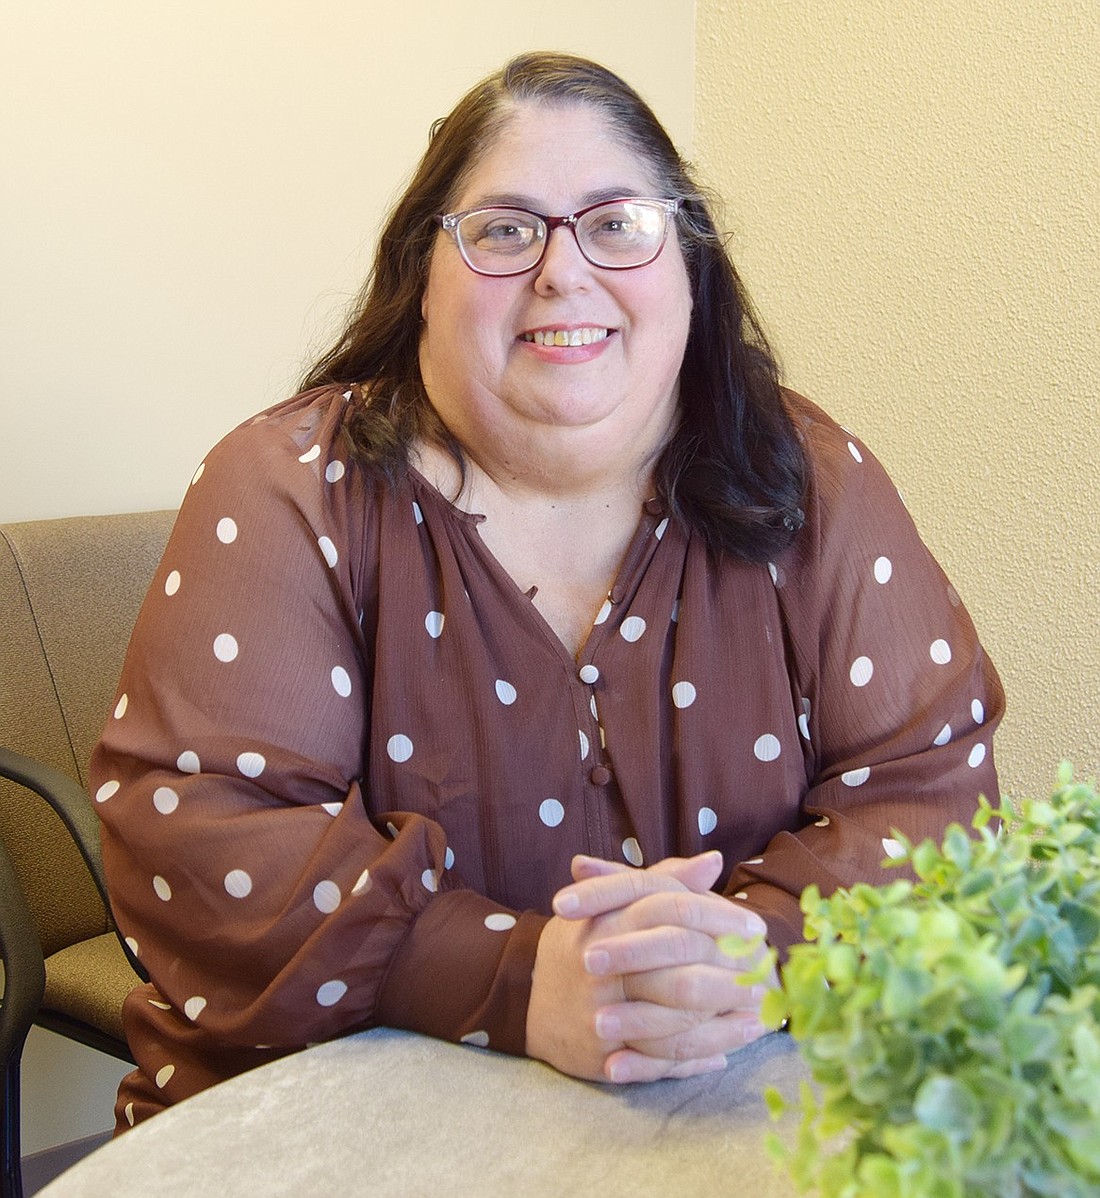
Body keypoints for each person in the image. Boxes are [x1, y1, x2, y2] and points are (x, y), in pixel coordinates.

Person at [91, 51, 1004, 1131]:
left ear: (688, 265)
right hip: (337, 1135)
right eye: (504, 229)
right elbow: (202, 833)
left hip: (738, 1107)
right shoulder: (290, 488)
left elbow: (931, 785)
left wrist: (749, 953)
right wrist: (521, 979)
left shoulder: (813, 478)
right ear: (419, 278)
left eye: (616, 223)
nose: (563, 273)